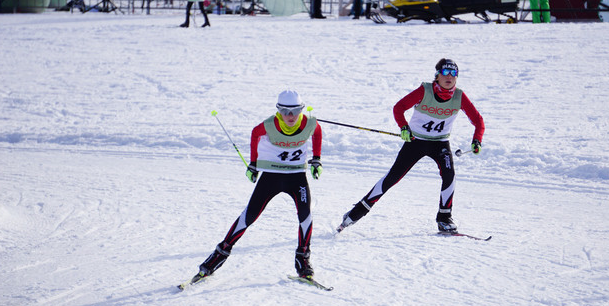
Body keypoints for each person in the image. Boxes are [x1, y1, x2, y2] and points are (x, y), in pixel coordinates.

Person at [338, 59, 485, 234]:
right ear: (437, 76)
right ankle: (356, 213)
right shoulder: (425, 90)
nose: (449, 77)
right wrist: (404, 128)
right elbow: (398, 108)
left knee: (449, 175)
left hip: (440, 143)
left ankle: (444, 218)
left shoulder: (459, 96)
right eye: (445, 73)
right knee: (392, 178)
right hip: (416, 142)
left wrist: (477, 140)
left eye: (454, 74)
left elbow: (478, 121)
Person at [193, 90, 323, 281]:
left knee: (306, 215)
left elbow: (317, 132)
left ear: (301, 109)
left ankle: (303, 262)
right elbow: (255, 134)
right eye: (284, 111)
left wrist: (316, 160)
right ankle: (214, 260)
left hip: (296, 176)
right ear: (278, 110)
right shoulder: (268, 125)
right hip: (271, 176)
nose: (289, 116)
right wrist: (253, 165)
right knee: (249, 216)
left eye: (295, 111)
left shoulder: (309, 123)